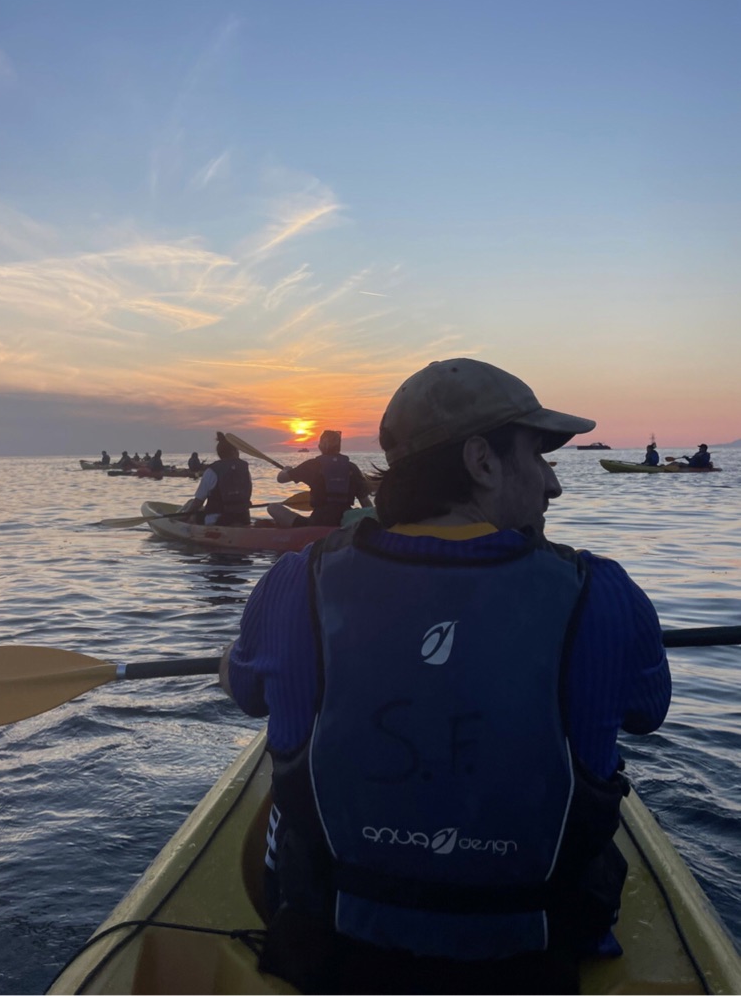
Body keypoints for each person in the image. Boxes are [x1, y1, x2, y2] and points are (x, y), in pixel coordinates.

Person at [220, 357, 670, 995]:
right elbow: (647, 710)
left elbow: (244, 693)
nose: (553, 485)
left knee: (284, 792)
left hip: (336, 948)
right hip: (535, 959)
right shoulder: (604, 594)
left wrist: (231, 663)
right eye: (538, 456)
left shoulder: (294, 582)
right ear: (482, 461)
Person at [266, 430, 372, 528]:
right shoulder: (352, 467)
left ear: (320, 446)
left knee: (272, 507)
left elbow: (281, 479)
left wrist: (286, 470)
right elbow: (365, 503)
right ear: (339, 446)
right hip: (344, 521)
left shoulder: (312, 465)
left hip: (317, 522)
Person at [181, 432, 252, 526]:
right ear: (234, 452)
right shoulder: (245, 469)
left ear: (219, 454)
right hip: (243, 519)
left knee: (191, 507)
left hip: (217, 521)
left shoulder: (212, 471)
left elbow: (198, 502)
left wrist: (183, 518)